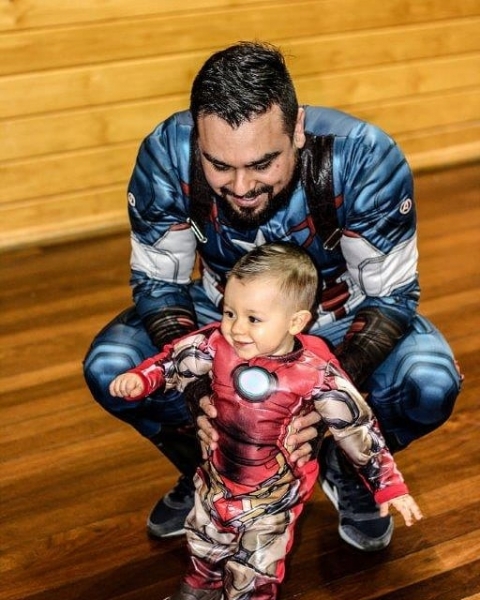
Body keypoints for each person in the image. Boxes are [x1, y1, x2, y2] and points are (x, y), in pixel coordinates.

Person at [83, 41, 462, 553]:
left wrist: (323, 406)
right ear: (197, 139)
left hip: (339, 318)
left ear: (297, 129)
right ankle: (210, 470)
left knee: (430, 384)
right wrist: (202, 393)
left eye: (263, 163)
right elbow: (160, 285)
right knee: (111, 366)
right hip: (225, 315)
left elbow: (390, 299)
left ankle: (346, 467)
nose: (241, 186)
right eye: (219, 165)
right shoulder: (167, 154)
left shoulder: (363, 158)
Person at [109, 243, 423, 600]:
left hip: (273, 498)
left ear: (296, 322)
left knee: (256, 569)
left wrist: (388, 486)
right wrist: (143, 378)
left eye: (253, 319)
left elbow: (358, 427)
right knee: (204, 543)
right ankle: (200, 589)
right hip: (216, 482)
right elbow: (174, 360)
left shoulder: (316, 374)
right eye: (229, 313)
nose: (236, 329)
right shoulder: (216, 345)